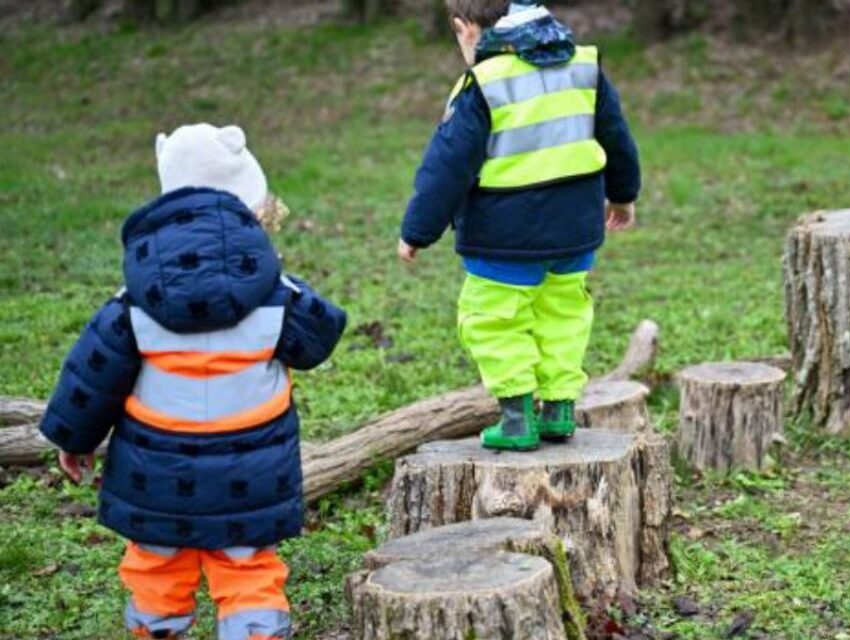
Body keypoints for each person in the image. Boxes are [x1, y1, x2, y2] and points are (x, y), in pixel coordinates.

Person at [38, 123, 347, 639]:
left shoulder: (133, 297)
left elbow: (93, 373)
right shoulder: (273, 291)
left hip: (154, 472)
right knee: (247, 568)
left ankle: (157, 628)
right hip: (252, 469)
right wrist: (288, 282)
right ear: (251, 202)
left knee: (156, 566)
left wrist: (74, 438)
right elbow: (318, 339)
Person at [398, 0, 641, 451]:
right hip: (575, 231)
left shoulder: (483, 84)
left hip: (502, 237)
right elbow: (617, 137)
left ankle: (515, 418)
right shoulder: (584, 67)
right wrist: (623, 195)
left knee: (494, 321)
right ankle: (559, 410)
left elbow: (447, 167)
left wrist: (417, 231)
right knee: (564, 315)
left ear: (465, 28)